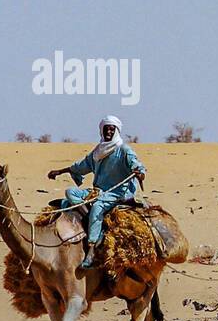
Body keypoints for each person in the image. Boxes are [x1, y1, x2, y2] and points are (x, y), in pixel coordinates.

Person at [47, 115, 146, 270]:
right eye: (106, 128)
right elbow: (81, 166)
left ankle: (92, 249)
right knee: (70, 193)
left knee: (98, 207)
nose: (108, 131)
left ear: (116, 131)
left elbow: (138, 167)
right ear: (102, 130)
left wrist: (140, 173)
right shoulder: (99, 151)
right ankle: (91, 220)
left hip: (117, 193)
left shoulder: (124, 150)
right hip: (98, 191)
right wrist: (60, 171)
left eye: (112, 129)